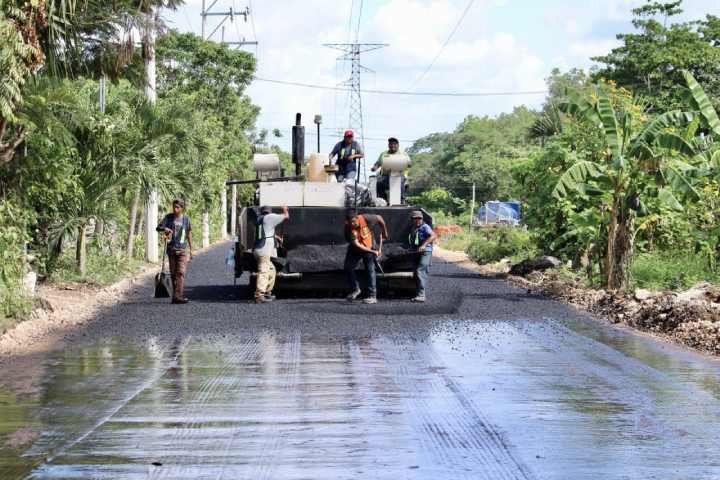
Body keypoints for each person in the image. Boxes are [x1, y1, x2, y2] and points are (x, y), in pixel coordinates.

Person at [344, 210, 388, 304]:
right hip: (356, 248)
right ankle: (355, 289)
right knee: (348, 267)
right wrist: (373, 251)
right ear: (347, 222)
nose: (353, 224)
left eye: (354, 221)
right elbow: (357, 245)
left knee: (370, 270)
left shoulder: (366, 218)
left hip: (368, 244)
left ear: (357, 218)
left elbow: (380, 218)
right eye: (350, 222)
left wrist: (384, 232)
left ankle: (372, 296)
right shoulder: (348, 229)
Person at [156, 199, 193, 304]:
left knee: (180, 273)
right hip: (171, 250)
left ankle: (178, 296)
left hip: (182, 250)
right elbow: (158, 227)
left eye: (177, 207)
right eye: (174, 207)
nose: (175, 209)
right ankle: (175, 296)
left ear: (182, 208)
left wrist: (191, 249)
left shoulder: (186, 219)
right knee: (173, 274)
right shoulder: (168, 217)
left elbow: (189, 233)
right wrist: (165, 229)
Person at [253, 205, 289, 303]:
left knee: (272, 270)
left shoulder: (260, 220)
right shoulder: (269, 218)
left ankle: (267, 293)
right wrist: (285, 209)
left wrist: (276, 237)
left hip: (259, 249)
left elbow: (266, 232)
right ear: (269, 212)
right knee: (264, 271)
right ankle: (259, 296)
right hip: (263, 250)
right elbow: (286, 216)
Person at [372, 137, 411, 203]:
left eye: (394, 144)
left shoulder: (403, 154)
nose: (392, 145)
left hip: (399, 175)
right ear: (388, 145)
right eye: (390, 144)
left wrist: (405, 163)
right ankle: (383, 201)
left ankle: (402, 200)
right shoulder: (383, 154)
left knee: (399, 181)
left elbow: (409, 164)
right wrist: (374, 168)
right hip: (386, 177)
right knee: (378, 183)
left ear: (398, 145)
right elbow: (378, 163)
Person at [408, 210, 436, 302]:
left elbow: (433, 236)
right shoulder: (414, 227)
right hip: (416, 251)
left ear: (421, 219)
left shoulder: (425, 227)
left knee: (420, 270)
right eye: (415, 218)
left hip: (425, 252)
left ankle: (421, 295)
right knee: (416, 272)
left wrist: (424, 245)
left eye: (419, 218)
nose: (417, 220)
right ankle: (418, 293)